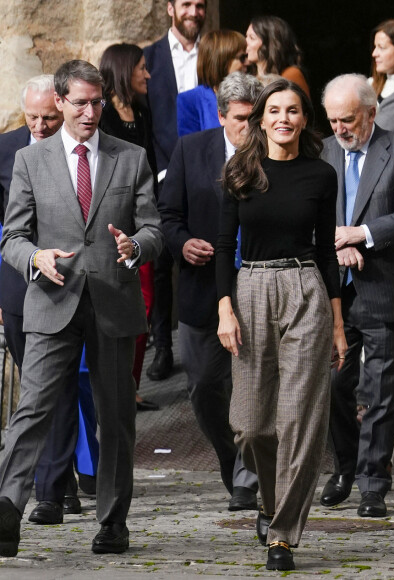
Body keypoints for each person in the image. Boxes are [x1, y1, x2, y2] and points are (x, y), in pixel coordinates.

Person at [0, 60, 163, 557]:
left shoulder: (130, 158)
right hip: (51, 301)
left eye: (96, 102)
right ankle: (6, 509)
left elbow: (154, 229)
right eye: (80, 103)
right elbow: (13, 237)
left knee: (114, 417)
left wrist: (135, 247)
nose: (90, 111)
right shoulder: (33, 161)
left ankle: (112, 521)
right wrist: (36, 257)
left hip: (114, 302)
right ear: (60, 101)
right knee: (34, 409)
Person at [216, 78, 347, 571]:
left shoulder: (321, 175)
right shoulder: (240, 170)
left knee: (300, 419)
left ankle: (283, 535)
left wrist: (336, 322)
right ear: (260, 119)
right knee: (250, 426)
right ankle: (270, 503)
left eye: (293, 110)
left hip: (305, 288)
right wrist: (225, 308)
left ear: (303, 119)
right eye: (274, 110)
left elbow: (327, 254)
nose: (283, 119)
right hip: (249, 290)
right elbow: (223, 248)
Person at [319, 74, 394, 516]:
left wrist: (360, 235)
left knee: (383, 392)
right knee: (331, 386)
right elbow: (308, 211)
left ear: (370, 113)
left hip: (386, 289)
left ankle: (373, 483)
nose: (340, 129)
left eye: (348, 120)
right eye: (333, 121)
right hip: (335, 296)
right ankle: (345, 467)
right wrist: (336, 242)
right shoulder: (323, 152)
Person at [159, 72, 262, 510]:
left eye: (255, 117)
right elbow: (166, 216)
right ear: (221, 116)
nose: (250, 127)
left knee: (255, 386)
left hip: (257, 286)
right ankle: (231, 458)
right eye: (241, 119)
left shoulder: (272, 151)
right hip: (202, 290)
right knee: (203, 386)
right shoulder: (191, 149)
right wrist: (183, 243)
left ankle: (249, 476)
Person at [0, 75, 98, 526]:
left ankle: (52, 490)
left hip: (77, 287)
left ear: (63, 109)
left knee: (62, 388)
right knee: (35, 392)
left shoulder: (81, 151)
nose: (39, 126)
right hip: (21, 285)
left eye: (49, 118)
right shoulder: (8, 152)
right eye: (32, 117)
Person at [144, 0, 207, 382]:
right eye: (186, 3)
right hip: (164, 170)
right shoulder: (148, 57)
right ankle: (163, 346)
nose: (194, 11)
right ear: (170, 8)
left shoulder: (216, 51)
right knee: (163, 259)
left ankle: (204, 342)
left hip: (210, 167)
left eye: (201, 5)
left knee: (205, 251)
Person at [99, 42, 159, 412]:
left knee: (145, 304)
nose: (148, 74)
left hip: (140, 223)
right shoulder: (100, 113)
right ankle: (112, 387)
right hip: (107, 225)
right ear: (124, 70)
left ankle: (130, 385)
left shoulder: (140, 109)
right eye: (141, 68)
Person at [177, 30, 247, 137]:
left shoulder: (250, 95)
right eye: (242, 58)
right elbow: (190, 149)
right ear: (222, 60)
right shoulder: (190, 100)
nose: (247, 62)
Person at [245, 15, 310, 97]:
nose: (245, 43)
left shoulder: (290, 74)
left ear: (269, 44)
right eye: (246, 37)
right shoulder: (250, 77)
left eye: (252, 38)